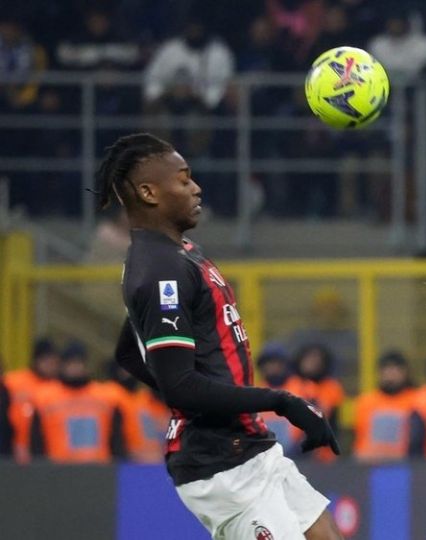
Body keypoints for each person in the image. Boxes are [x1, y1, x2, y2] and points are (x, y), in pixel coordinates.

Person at [96, 133, 343, 540]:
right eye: (183, 179)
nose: (196, 187)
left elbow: (129, 351)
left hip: (245, 444)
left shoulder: (181, 251)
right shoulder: (159, 271)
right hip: (221, 468)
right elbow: (180, 387)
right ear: (148, 192)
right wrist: (280, 401)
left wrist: (213, 403)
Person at [30, 341, 127, 463]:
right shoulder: (44, 397)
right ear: (62, 365)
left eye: (79, 363)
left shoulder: (106, 397)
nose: (75, 368)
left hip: (99, 468)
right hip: (59, 470)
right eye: (71, 363)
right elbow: (36, 441)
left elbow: (117, 438)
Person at [352, 351, 423, 461]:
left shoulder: (417, 400)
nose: (390, 375)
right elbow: (359, 435)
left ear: (405, 372)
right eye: (386, 369)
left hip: (403, 465)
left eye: (395, 369)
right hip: (368, 464)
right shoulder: (365, 401)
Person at [5, 338, 61, 462]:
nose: (49, 365)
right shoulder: (13, 382)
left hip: (46, 451)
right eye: (45, 360)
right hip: (12, 447)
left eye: (53, 361)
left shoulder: (60, 388)